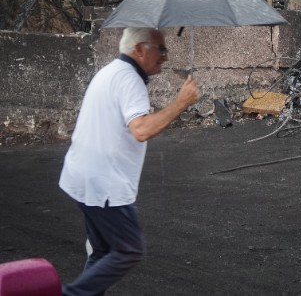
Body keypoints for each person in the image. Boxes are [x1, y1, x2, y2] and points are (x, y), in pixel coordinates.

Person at [59, 27, 200, 295]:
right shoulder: (129, 80)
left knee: (103, 251)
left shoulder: (113, 71)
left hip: (84, 176)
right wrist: (181, 102)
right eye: (161, 49)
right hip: (104, 184)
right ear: (138, 49)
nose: (165, 57)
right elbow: (142, 130)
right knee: (129, 250)